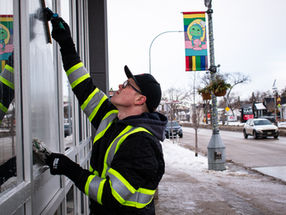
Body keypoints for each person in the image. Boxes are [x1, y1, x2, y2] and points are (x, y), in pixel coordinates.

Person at [34, 10, 167, 215]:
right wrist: (67, 44)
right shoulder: (112, 117)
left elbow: (110, 196)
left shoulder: (142, 143)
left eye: (127, 85)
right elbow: (83, 86)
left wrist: (68, 167)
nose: (120, 87)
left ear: (140, 100)